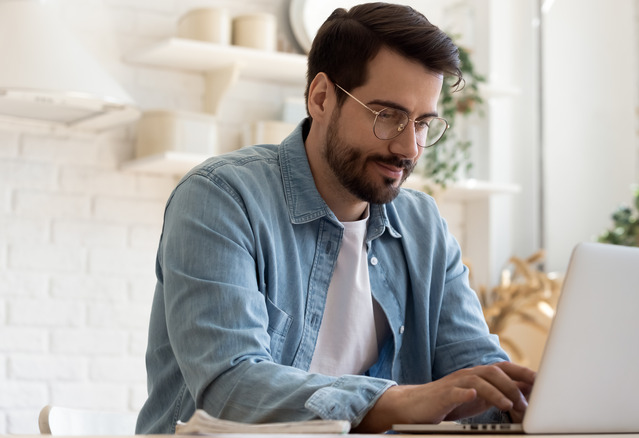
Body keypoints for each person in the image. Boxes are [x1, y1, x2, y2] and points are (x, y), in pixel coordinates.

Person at [136, 2, 535, 434]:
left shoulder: (424, 226)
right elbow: (229, 388)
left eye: (422, 123)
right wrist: (397, 401)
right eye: (388, 116)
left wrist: (524, 401)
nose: (409, 149)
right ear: (322, 98)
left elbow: (476, 372)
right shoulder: (221, 199)